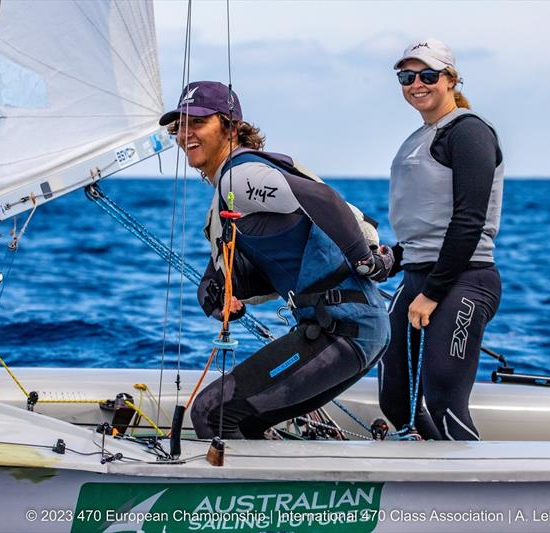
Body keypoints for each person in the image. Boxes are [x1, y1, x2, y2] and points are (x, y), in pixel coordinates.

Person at [159, 81, 392, 439]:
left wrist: (364, 259)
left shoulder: (240, 177)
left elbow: (324, 200)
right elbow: (233, 276)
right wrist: (221, 298)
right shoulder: (227, 195)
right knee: (245, 419)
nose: (187, 133)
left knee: (211, 412)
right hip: (352, 331)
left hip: (343, 332)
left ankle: (239, 496)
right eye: (182, 125)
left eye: (199, 122)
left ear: (230, 126)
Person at [380, 39, 504, 441]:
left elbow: (469, 220)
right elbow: (424, 228)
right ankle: (422, 478)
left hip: (462, 279)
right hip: (416, 277)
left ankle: (480, 494)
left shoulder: (469, 132)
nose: (417, 83)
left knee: (442, 402)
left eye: (428, 75)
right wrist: (390, 258)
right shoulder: (417, 137)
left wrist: (433, 293)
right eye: (407, 76)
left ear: (450, 80)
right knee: (395, 398)